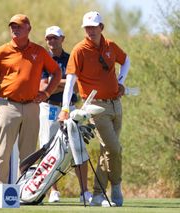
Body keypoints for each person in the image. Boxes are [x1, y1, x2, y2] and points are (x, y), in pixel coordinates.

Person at [0, 14, 61, 184]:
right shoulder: (3, 50)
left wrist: (47, 93)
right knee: (3, 152)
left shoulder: (38, 51)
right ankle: (0, 191)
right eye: (12, 26)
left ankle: (25, 191)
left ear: (29, 28)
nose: (15, 29)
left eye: (19, 26)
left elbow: (56, 72)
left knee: (28, 155)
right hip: (8, 105)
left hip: (31, 106)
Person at [58, 11, 130, 207]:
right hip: (95, 106)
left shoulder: (110, 46)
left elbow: (126, 61)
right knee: (114, 148)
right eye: (87, 27)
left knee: (107, 151)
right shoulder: (79, 50)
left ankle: (98, 197)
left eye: (94, 26)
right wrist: (65, 108)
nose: (90, 30)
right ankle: (114, 187)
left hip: (116, 104)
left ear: (101, 28)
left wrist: (122, 81)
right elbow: (71, 81)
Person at [39, 26, 92, 203]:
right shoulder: (42, 59)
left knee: (78, 148)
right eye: (48, 39)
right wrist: (65, 81)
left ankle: (84, 191)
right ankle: (53, 191)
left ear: (62, 39)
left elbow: (77, 85)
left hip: (70, 108)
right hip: (49, 107)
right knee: (48, 148)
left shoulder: (71, 58)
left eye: (55, 38)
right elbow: (42, 86)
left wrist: (55, 82)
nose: (51, 42)